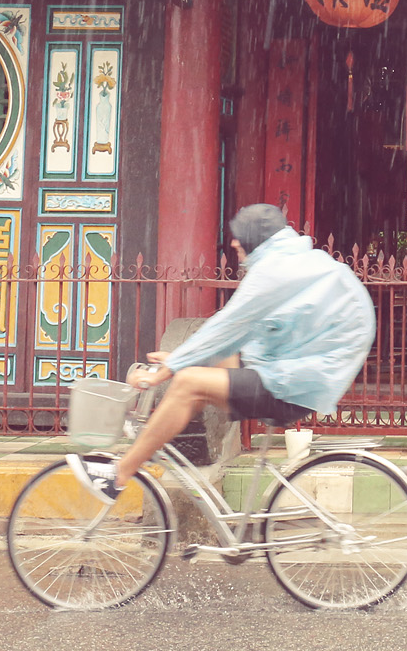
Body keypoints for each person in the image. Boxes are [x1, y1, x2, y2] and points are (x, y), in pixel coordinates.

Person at [68, 204, 375, 503]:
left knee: (188, 382)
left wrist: (171, 367)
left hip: (296, 382)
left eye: (240, 234)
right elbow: (233, 335)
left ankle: (120, 473)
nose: (233, 242)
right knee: (214, 365)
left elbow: (228, 326)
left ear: (255, 238)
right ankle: (186, 438)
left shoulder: (275, 270)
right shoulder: (290, 259)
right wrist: (184, 356)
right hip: (301, 369)